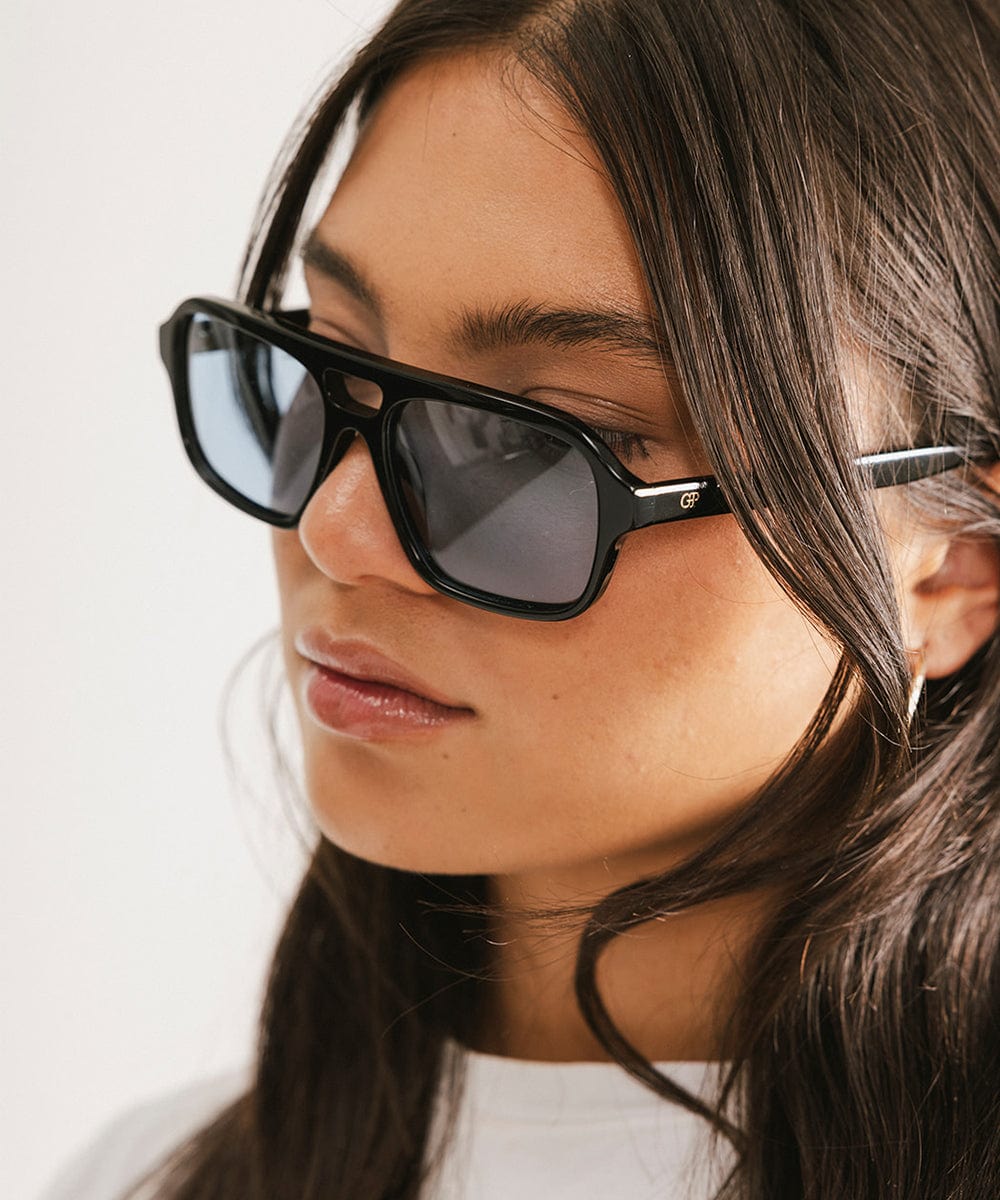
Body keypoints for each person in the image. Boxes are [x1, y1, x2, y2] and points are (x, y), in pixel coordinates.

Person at [43, 0, 1000, 1197]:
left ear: (953, 567)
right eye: (331, 355)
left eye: (539, 440)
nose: (335, 530)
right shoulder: (146, 1177)